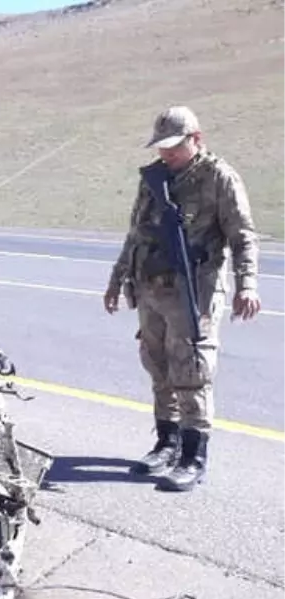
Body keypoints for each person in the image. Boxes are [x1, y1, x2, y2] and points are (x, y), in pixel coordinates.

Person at [104, 105, 261, 492]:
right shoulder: (153, 179)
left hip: (193, 292)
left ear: (197, 138)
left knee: (191, 370)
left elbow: (243, 236)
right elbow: (135, 233)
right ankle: (166, 443)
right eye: (161, 147)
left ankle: (193, 457)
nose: (166, 154)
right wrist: (116, 279)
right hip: (150, 289)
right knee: (158, 368)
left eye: (174, 146)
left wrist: (247, 284)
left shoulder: (218, 178)